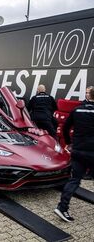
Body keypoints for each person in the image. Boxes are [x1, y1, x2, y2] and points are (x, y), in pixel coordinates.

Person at [54, 86, 94, 222]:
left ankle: (62, 207)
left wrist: (70, 143)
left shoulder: (77, 110)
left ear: (88, 96)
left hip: (78, 151)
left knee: (74, 180)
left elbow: (65, 128)